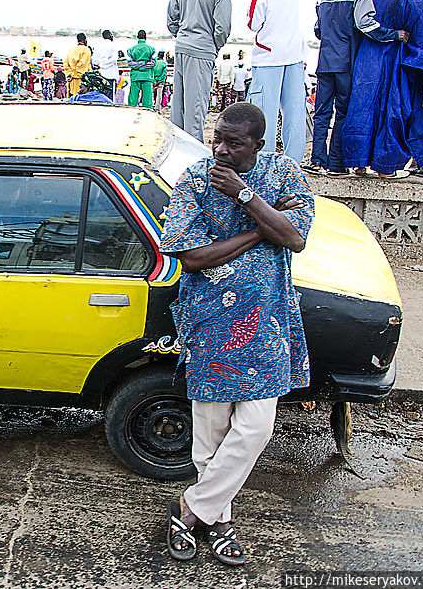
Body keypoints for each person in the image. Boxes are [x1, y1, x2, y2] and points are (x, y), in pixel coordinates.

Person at [159, 102, 313, 567]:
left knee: (255, 429)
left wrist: (247, 198)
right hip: (209, 325)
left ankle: (190, 509)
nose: (221, 150)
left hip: (265, 327)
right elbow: (191, 258)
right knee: (210, 434)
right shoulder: (194, 180)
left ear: (257, 146)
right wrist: (262, 229)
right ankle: (220, 521)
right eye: (217, 138)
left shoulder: (283, 173)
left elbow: (297, 237)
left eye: (234, 143)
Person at [342, 0, 423, 179]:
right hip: (394, 63)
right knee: (392, 111)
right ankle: (386, 167)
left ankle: (358, 162)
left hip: (366, 62)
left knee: (362, 109)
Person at [306, 0, 408, 176]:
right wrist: (394, 35)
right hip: (346, 64)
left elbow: (318, 31)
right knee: (343, 114)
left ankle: (317, 161)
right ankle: (336, 165)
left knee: (321, 114)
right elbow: (365, 24)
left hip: (324, 62)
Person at [246, 0, 308, 163]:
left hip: (269, 54)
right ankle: (293, 165)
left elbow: (253, 22)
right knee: (295, 114)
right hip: (295, 52)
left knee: (265, 113)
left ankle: (264, 165)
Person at [167, 0, 232, 141]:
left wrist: (184, 36)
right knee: (195, 112)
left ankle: (177, 153)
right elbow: (223, 27)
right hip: (202, 49)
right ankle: (193, 159)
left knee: (177, 111)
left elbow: (171, 21)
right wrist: (213, 46)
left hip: (181, 47)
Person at [127, 30, 156, 109]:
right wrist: (144, 63)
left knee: (132, 101)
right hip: (147, 76)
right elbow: (153, 63)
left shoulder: (131, 50)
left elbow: (130, 63)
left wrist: (138, 65)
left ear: (137, 37)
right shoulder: (151, 49)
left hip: (135, 76)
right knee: (147, 102)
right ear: (145, 37)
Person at [93, 30, 120, 99]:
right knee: (110, 98)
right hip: (111, 75)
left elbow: (95, 61)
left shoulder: (98, 46)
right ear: (111, 36)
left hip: (101, 74)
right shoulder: (113, 45)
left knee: (101, 96)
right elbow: (114, 58)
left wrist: (101, 64)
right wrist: (104, 63)